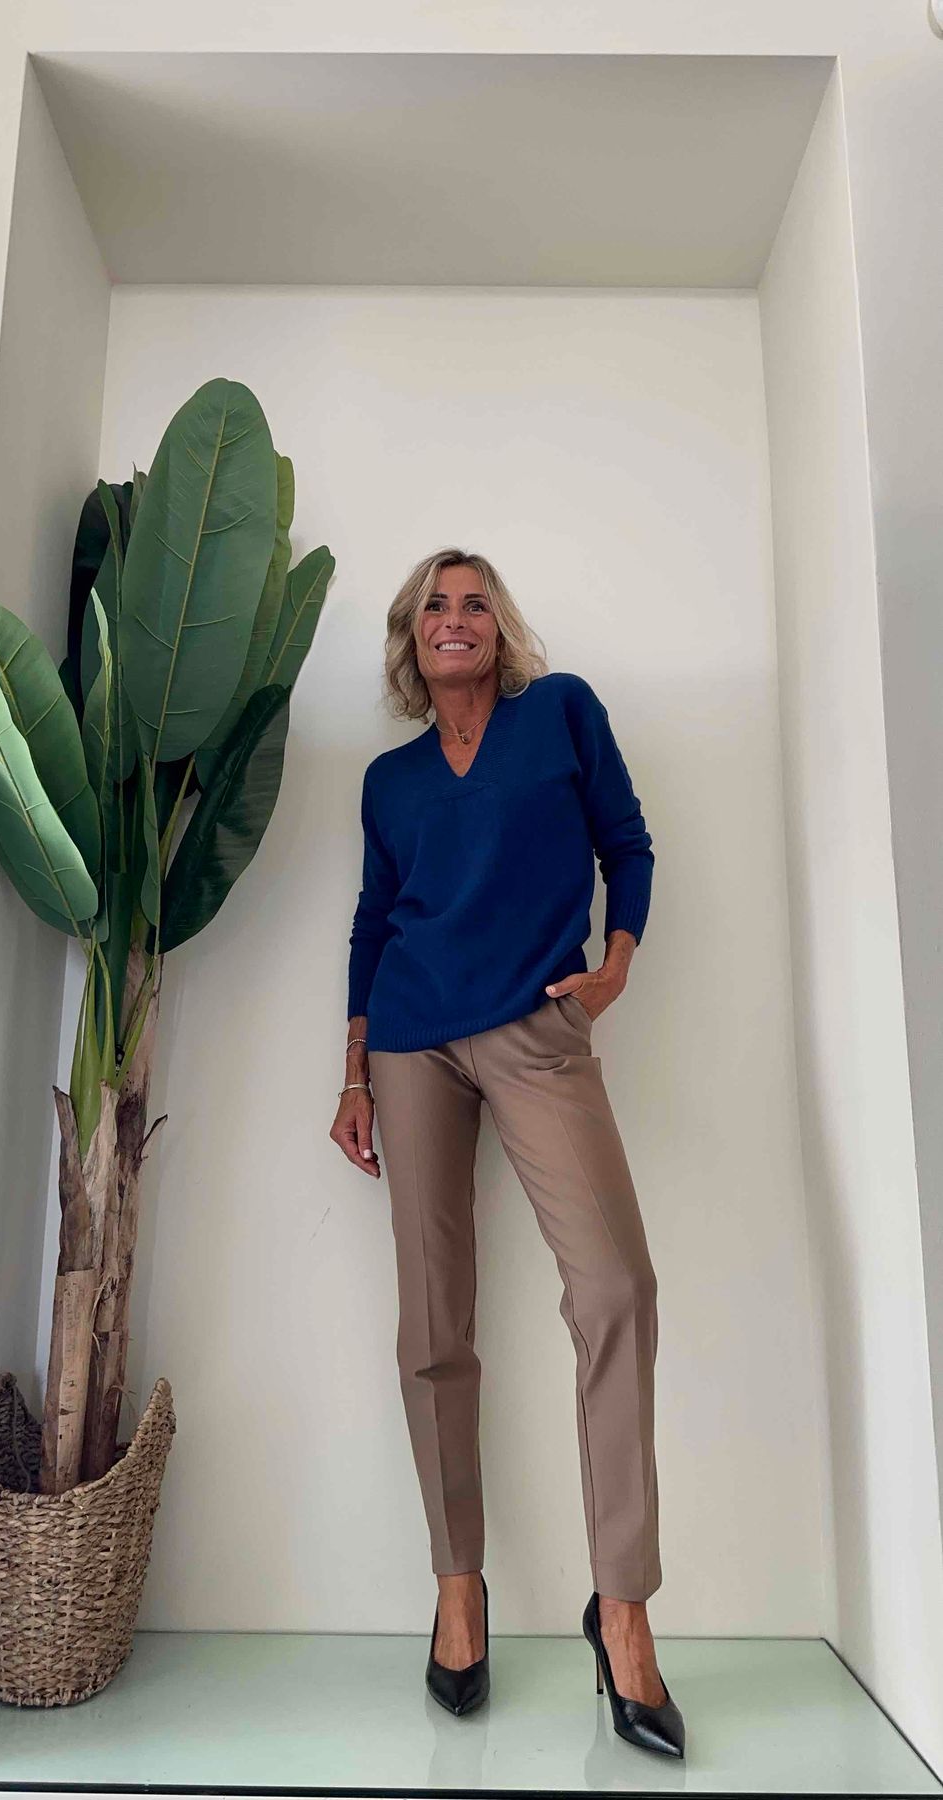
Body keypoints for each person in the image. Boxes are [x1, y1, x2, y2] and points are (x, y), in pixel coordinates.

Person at [329, 548, 684, 1760]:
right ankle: (457, 1589)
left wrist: (614, 968)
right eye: (434, 604)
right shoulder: (387, 781)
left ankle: (621, 1610)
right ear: (409, 639)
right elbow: (371, 923)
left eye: (474, 601)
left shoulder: (560, 713)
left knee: (615, 1289)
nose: (455, 617)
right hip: (409, 1044)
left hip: (537, 1029)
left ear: (500, 628)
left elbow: (626, 844)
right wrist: (352, 1071)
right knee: (432, 1324)